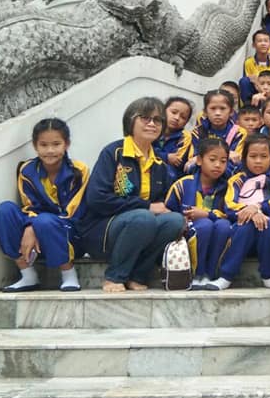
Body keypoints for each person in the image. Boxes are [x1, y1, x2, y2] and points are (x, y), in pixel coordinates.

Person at [75, 97, 184, 292]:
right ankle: (114, 277)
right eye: (145, 118)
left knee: (174, 221)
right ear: (130, 121)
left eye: (157, 120)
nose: (152, 124)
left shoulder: (159, 163)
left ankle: (137, 275)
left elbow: (162, 203)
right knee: (143, 217)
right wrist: (146, 207)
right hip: (102, 231)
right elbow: (96, 198)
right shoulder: (113, 152)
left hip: (140, 229)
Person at [0, 118, 89, 292]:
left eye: (56, 144)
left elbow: (73, 212)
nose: (50, 150)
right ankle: (27, 274)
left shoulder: (79, 171)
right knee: (4, 210)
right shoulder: (27, 170)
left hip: (69, 234)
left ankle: (68, 274)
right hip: (36, 235)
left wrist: (34, 226)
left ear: (66, 144)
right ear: (35, 146)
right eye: (44, 145)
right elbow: (29, 206)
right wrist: (32, 225)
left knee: (44, 221)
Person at [207, 135, 270, 290]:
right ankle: (226, 276)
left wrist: (258, 208)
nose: (258, 161)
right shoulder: (237, 180)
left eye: (263, 157)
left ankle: (268, 275)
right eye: (253, 156)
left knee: (268, 225)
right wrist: (250, 213)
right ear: (244, 158)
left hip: (268, 228)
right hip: (241, 227)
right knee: (245, 225)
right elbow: (229, 206)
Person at [165, 137, 231, 288]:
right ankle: (196, 273)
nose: (218, 165)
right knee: (205, 225)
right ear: (199, 160)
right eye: (212, 159)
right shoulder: (182, 185)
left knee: (223, 226)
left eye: (223, 161)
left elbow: (230, 213)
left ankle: (210, 274)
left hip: (215, 230)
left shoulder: (227, 187)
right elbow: (168, 212)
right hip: (187, 234)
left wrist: (208, 214)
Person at [187, 89, 247, 174]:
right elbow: (192, 161)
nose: (218, 113)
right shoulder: (197, 132)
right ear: (205, 111)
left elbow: (235, 160)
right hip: (201, 173)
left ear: (231, 112)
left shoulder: (238, 133)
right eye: (213, 108)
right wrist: (227, 155)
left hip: (226, 173)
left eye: (222, 108)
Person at [154, 96, 193, 182]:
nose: (177, 118)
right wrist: (166, 157)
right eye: (174, 112)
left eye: (183, 117)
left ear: (186, 122)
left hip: (170, 179)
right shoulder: (153, 128)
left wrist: (158, 155)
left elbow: (176, 161)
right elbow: (144, 151)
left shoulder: (184, 137)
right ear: (163, 111)